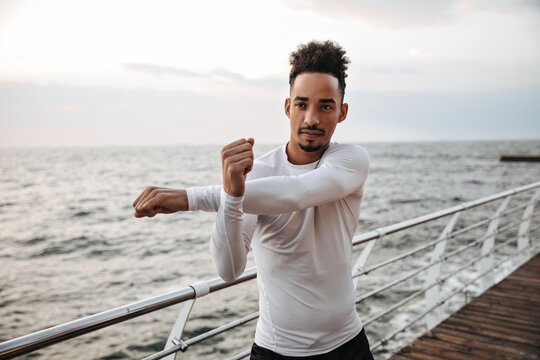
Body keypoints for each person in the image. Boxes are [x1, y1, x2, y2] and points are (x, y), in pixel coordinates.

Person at [133, 40, 372, 360]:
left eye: (325, 106)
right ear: (288, 107)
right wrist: (231, 196)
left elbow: (297, 192)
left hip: (347, 345)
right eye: (302, 104)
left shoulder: (350, 160)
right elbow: (229, 269)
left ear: (341, 112)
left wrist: (191, 197)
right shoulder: (254, 177)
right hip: (276, 351)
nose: (311, 118)